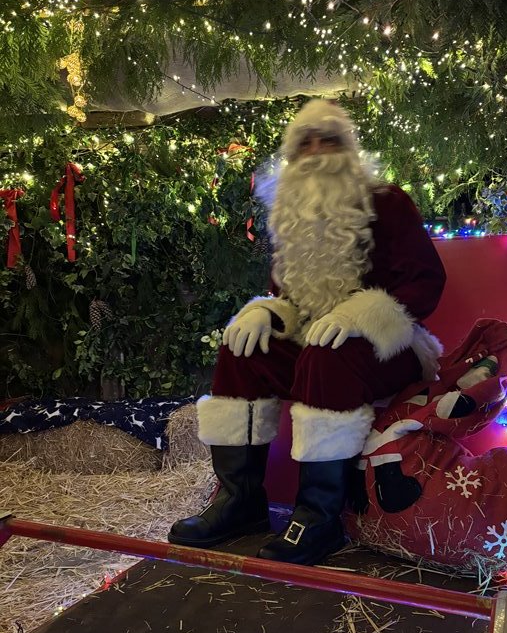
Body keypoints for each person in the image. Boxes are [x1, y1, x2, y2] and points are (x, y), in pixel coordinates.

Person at [168, 99, 447, 566]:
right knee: (242, 349)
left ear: (349, 150)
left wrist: (361, 315)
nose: (317, 152)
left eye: (329, 141)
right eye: (305, 143)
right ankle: (240, 502)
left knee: (325, 355)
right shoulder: (292, 212)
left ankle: (318, 517)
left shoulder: (387, 201)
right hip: (317, 345)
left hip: (389, 347)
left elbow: (424, 283)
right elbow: (288, 298)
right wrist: (267, 313)